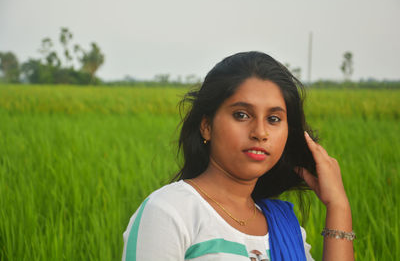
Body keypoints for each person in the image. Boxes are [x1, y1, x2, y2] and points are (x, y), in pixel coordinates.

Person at [122, 51, 354, 261]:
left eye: (273, 119)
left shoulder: (285, 229)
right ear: (206, 126)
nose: (260, 133)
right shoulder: (170, 211)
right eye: (242, 115)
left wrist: (338, 207)